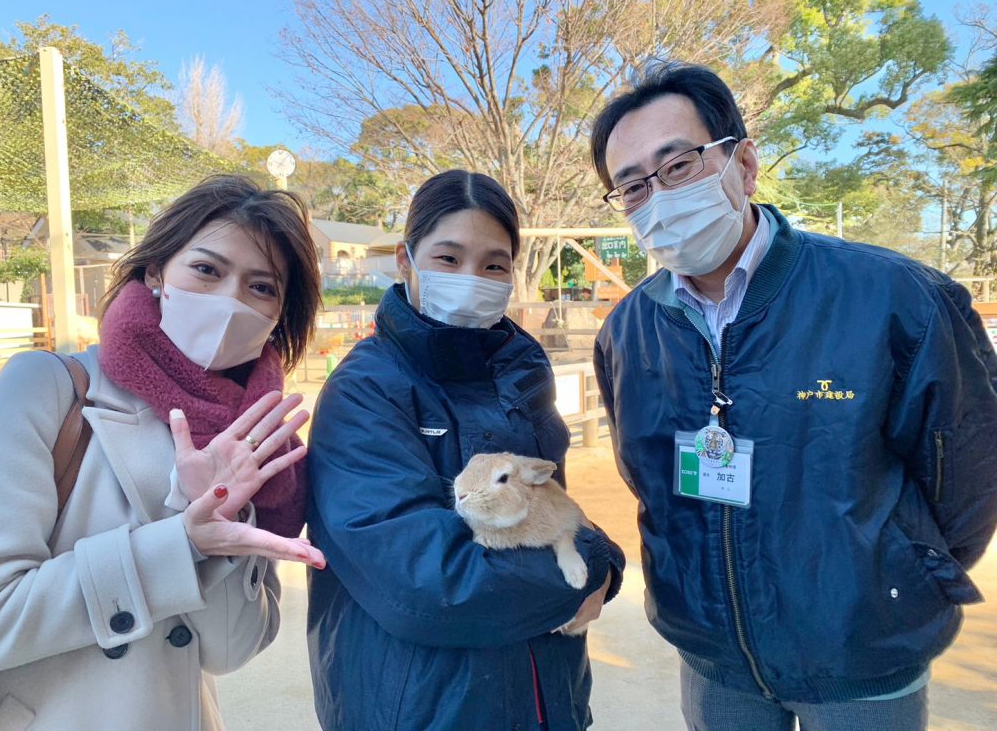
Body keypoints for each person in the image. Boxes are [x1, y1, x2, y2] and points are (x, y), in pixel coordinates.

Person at [589, 60, 997, 730]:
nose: (656, 196)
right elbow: (652, 482)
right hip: (717, 661)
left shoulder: (895, 299)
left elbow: (968, 479)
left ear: (742, 163)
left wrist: (896, 580)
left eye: (679, 165)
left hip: (861, 657)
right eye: (631, 186)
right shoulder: (629, 330)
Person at [0, 175, 325, 731]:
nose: (230, 299)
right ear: (156, 272)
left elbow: (229, 652)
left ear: (280, 315)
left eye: (261, 288)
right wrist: (180, 543)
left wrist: (223, 532)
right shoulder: (46, 388)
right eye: (207, 270)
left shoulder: (259, 437)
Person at [305, 169, 626, 731]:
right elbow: (427, 581)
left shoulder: (521, 375)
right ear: (405, 261)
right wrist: (595, 562)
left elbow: (547, 511)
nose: (472, 278)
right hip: (424, 707)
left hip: (545, 695)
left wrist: (590, 555)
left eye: (494, 264)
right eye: (448, 259)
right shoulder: (367, 388)